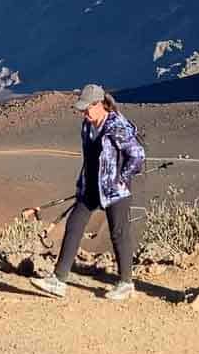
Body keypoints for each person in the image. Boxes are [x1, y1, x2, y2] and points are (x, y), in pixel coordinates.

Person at [31, 83, 145, 301]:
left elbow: (137, 155)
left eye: (87, 109)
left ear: (100, 104)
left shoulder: (117, 126)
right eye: (82, 110)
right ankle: (58, 280)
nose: (84, 113)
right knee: (74, 225)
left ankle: (126, 283)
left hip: (115, 191)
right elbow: (90, 158)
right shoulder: (87, 126)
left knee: (119, 233)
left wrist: (121, 178)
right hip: (91, 187)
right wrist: (83, 183)